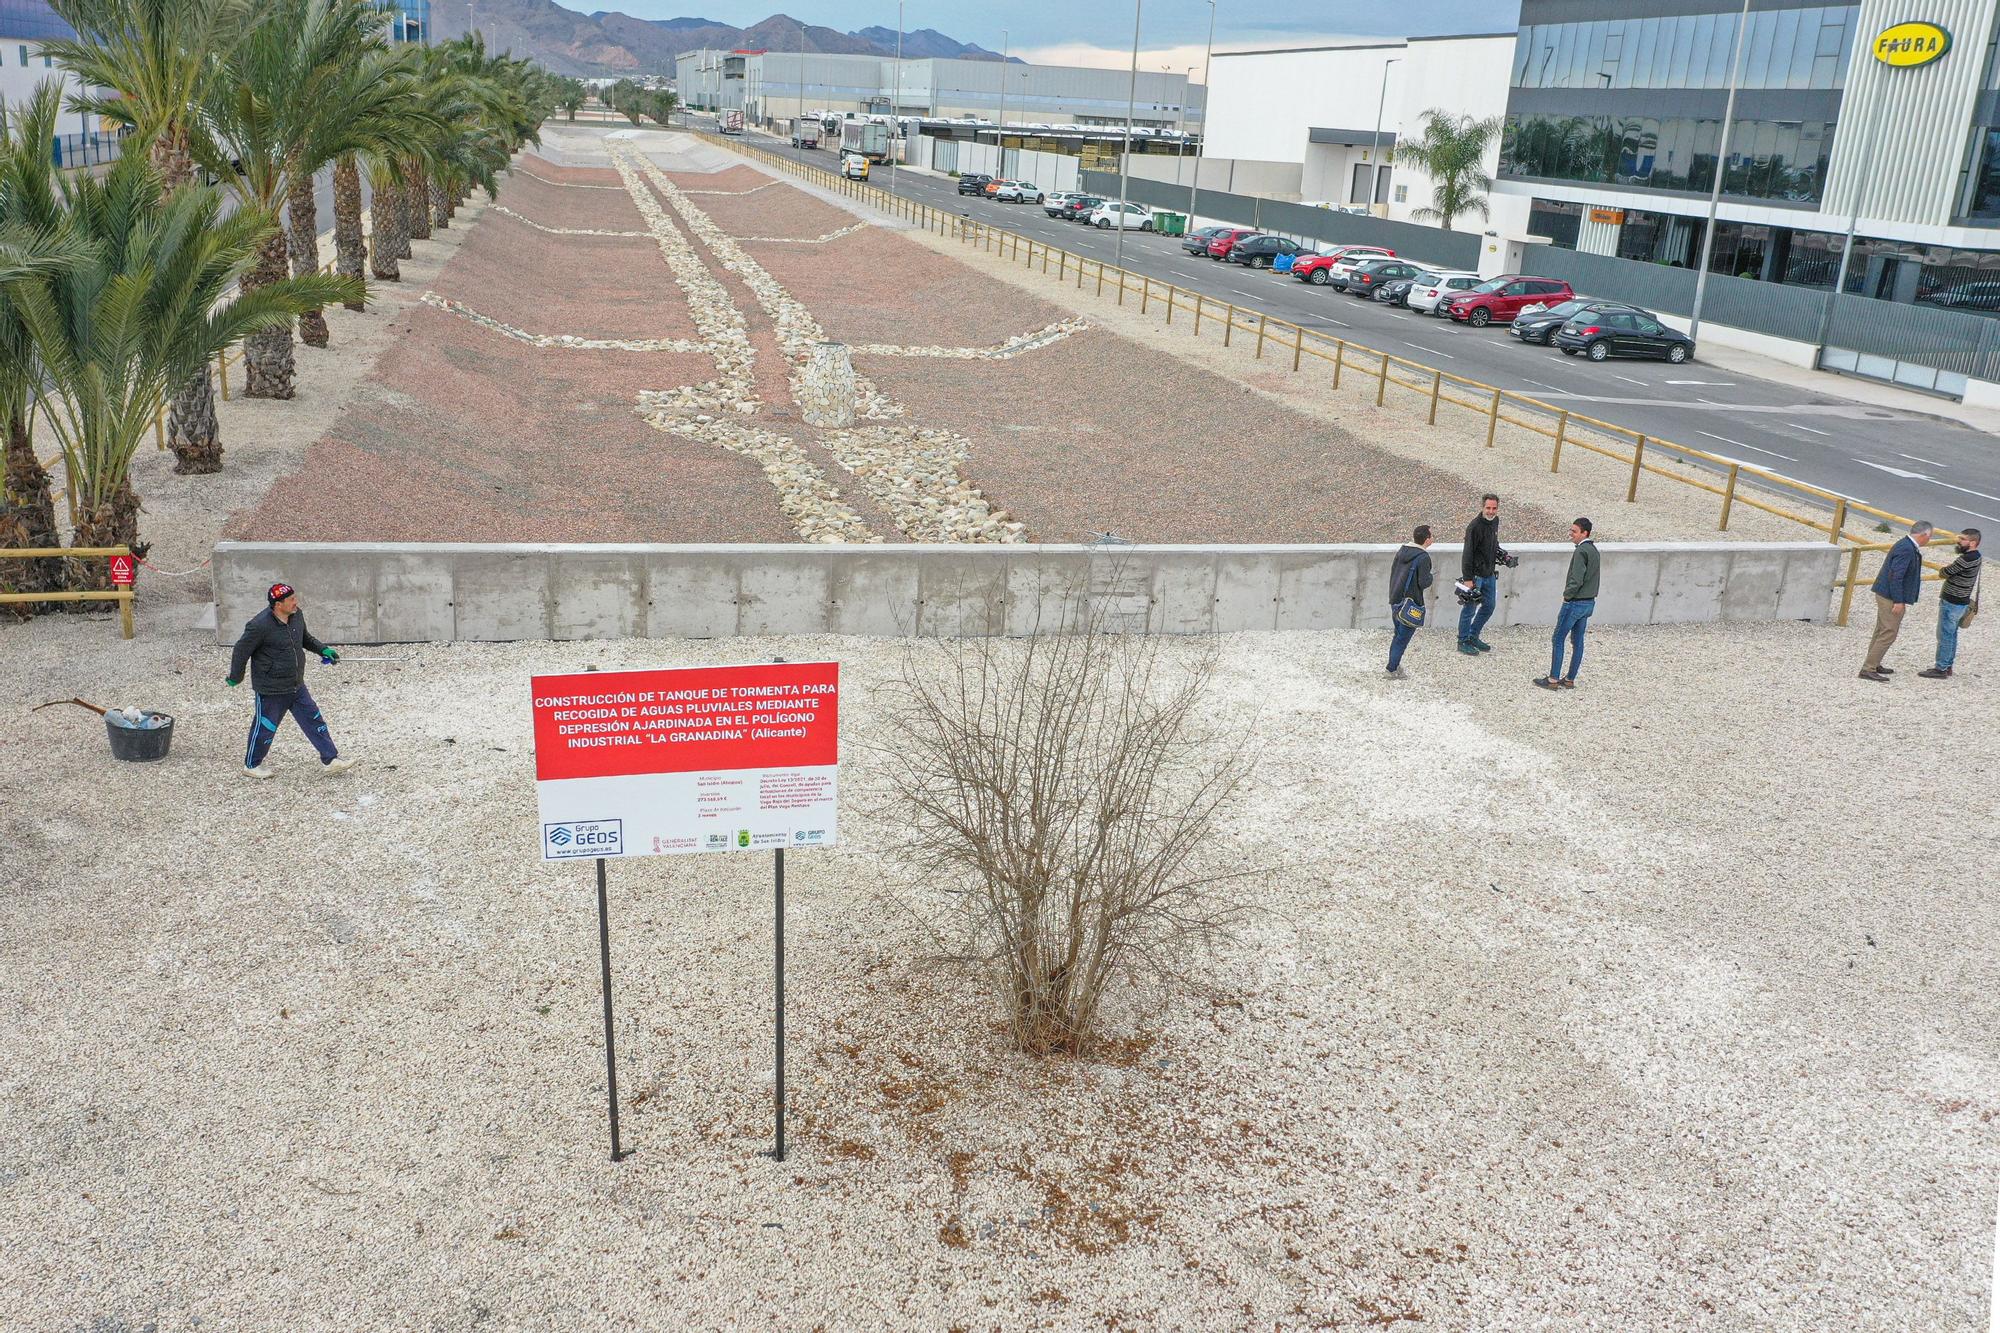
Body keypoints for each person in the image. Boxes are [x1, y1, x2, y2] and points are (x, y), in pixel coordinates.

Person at [226, 582, 356, 778]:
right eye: (291, 600)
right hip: (271, 689)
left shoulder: (296, 616)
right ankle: (251, 765)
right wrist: (236, 677)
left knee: (314, 720)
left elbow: (305, 639)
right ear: (278, 604)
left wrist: (323, 650)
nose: (296, 602)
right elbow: (240, 650)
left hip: (296, 684)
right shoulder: (258, 626)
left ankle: (330, 759)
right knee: (265, 727)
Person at [1859, 521, 1933, 683]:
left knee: (1881, 630)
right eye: (1929, 537)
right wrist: (1898, 601)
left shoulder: (1905, 545)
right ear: (1924, 535)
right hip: (1890, 597)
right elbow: (1896, 576)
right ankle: (1868, 668)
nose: (1929, 540)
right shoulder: (1906, 549)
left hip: (1886, 594)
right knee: (1888, 632)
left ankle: (1874, 663)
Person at [1536, 518, 1598, 691]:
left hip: (1575, 603)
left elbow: (1576, 579)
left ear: (1584, 533)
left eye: (1574, 531)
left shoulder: (1581, 551)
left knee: (1558, 638)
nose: (1571, 534)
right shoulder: (1594, 550)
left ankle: (1553, 679)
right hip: (1588, 603)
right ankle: (1570, 679)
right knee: (1578, 641)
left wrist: (1567, 596)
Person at [1919, 528, 1981, 680]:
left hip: (1952, 601)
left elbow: (1945, 572)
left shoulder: (1965, 559)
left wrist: (1943, 570)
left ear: (1972, 542)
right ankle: (1947, 665)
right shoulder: (1977, 557)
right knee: (1952, 634)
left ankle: (1940, 668)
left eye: (1963, 539)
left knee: (1945, 635)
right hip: (1962, 602)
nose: (1959, 541)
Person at [1457, 493, 1510, 656]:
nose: (1491, 511)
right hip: (1475, 576)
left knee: (1489, 606)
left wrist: (1502, 554)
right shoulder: (1474, 527)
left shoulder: (1495, 521)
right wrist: (1467, 579)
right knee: (1469, 609)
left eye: (1494, 508)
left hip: (1489, 574)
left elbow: (1493, 542)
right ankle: (1463, 640)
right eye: (1488, 508)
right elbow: (1467, 554)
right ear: (1482, 507)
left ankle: (1473, 635)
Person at [1386, 525, 1435, 679]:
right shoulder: (1423, 557)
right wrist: (1431, 577)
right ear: (1427, 539)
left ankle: (1394, 664)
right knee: (1402, 638)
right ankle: (1391, 669)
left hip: (1395, 599)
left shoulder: (1402, 551)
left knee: (1398, 635)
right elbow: (1424, 582)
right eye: (1431, 535)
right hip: (1410, 603)